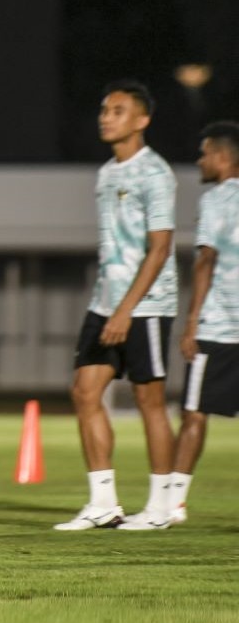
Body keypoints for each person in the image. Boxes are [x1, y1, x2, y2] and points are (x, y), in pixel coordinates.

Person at [54, 79, 178, 531]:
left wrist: (126, 310)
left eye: (118, 111)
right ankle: (103, 503)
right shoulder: (107, 173)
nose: (106, 117)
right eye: (104, 110)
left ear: (142, 120)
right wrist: (111, 305)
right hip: (105, 301)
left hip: (146, 306)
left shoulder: (155, 174)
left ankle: (161, 508)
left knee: (149, 400)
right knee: (84, 392)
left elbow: (159, 250)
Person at [165, 121, 239, 527]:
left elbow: (206, 260)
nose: (200, 160)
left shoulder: (216, 201)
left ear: (224, 157)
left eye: (205, 152)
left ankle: (173, 504)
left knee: (194, 414)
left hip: (220, 328)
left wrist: (191, 322)